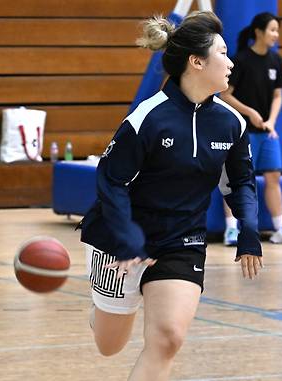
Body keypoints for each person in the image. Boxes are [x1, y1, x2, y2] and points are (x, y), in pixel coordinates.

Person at [79, 11, 262, 380]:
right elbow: (111, 182)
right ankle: (102, 312)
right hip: (121, 240)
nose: (231, 62)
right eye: (223, 53)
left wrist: (249, 229)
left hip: (183, 240)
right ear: (196, 62)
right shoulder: (146, 118)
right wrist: (128, 238)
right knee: (109, 345)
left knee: (168, 339)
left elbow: (240, 183)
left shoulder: (232, 122)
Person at [219, 12, 282, 246]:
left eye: (278, 30)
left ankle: (279, 228)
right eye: (273, 30)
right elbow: (225, 95)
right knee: (236, 179)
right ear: (259, 31)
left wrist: (271, 122)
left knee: (273, 176)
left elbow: (278, 96)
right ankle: (231, 230)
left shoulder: (276, 61)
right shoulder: (242, 60)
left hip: (267, 132)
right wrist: (251, 113)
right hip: (242, 132)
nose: (276, 35)